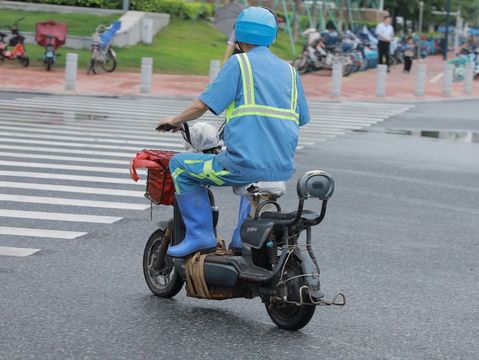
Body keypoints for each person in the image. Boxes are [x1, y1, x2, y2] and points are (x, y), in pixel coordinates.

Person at [156, 7, 310, 258]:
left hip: (241, 164)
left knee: (180, 165)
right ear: (272, 35)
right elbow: (301, 118)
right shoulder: (291, 72)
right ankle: (241, 239)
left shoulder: (239, 64)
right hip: (280, 167)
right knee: (252, 185)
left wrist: (174, 120)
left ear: (240, 34)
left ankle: (200, 236)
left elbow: (201, 105)